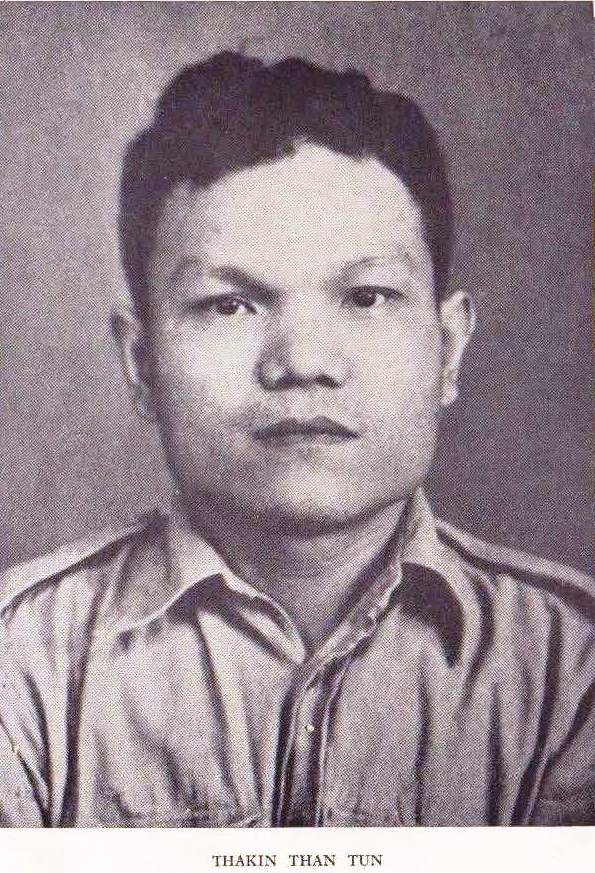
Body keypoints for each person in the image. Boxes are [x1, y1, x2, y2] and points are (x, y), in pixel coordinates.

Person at [0, 53, 592, 828]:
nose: (302, 362)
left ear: (447, 349)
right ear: (141, 363)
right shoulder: (22, 665)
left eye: (366, 297)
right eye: (229, 304)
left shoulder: (572, 669)